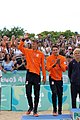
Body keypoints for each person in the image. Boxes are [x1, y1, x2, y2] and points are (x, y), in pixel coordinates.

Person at [18, 35, 46, 117]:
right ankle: (30, 106)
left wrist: (44, 76)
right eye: (33, 43)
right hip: (29, 74)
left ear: (37, 45)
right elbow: (20, 47)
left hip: (37, 75)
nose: (34, 45)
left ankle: (35, 110)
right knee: (28, 92)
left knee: (37, 94)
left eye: (35, 44)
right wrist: (23, 39)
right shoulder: (28, 51)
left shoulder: (41, 54)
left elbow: (43, 66)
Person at [46, 45, 67, 116]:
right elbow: (48, 68)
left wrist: (59, 64)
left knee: (60, 94)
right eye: (54, 50)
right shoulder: (49, 58)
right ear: (52, 51)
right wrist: (54, 64)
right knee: (54, 93)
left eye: (56, 50)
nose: (55, 51)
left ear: (58, 50)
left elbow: (64, 69)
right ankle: (54, 110)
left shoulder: (62, 58)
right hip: (52, 78)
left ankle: (60, 110)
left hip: (59, 79)